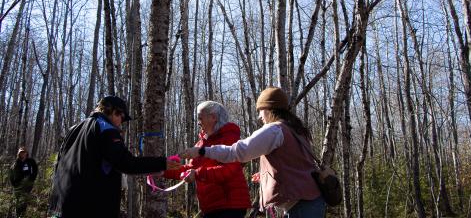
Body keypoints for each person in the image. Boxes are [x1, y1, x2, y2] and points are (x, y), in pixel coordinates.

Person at [182, 87, 326, 218]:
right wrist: (266, 176)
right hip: (310, 202)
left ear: (269, 109)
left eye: (260, 110)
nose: (260, 116)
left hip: (299, 206)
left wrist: (202, 151)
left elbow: (237, 152)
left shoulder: (274, 130)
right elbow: (294, 165)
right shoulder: (296, 130)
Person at [48, 95, 181, 218]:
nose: (120, 123)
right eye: (121, 118)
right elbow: (126, 163)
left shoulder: (74, 129)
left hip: (61, 206)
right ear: (114, 112)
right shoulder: (106, 129)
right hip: (89, 207)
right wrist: (161, 163)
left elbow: (59, 163)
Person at [164, 101, 251, 218]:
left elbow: (228, 170)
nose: (198, 122)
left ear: (213, 117)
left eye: (200, 117)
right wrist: (163, 170)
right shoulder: (200, 143)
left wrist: (197, 174)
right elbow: (190, 169)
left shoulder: (229, 138)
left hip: (230, 205)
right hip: (211, 207)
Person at [9, 147, 38, 217]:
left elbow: (35, 170)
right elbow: (11, 174)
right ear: (18, 153)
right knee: (18, 201)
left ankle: (22, 215)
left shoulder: (31, 161)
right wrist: (14, 184)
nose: (22, 154)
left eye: (23, 152)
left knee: (24, 200)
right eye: (21, 152)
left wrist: (31, 179)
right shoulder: (16, 163)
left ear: (26, 153)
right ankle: (17, 214)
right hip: (17, 185)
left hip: (27, 185)